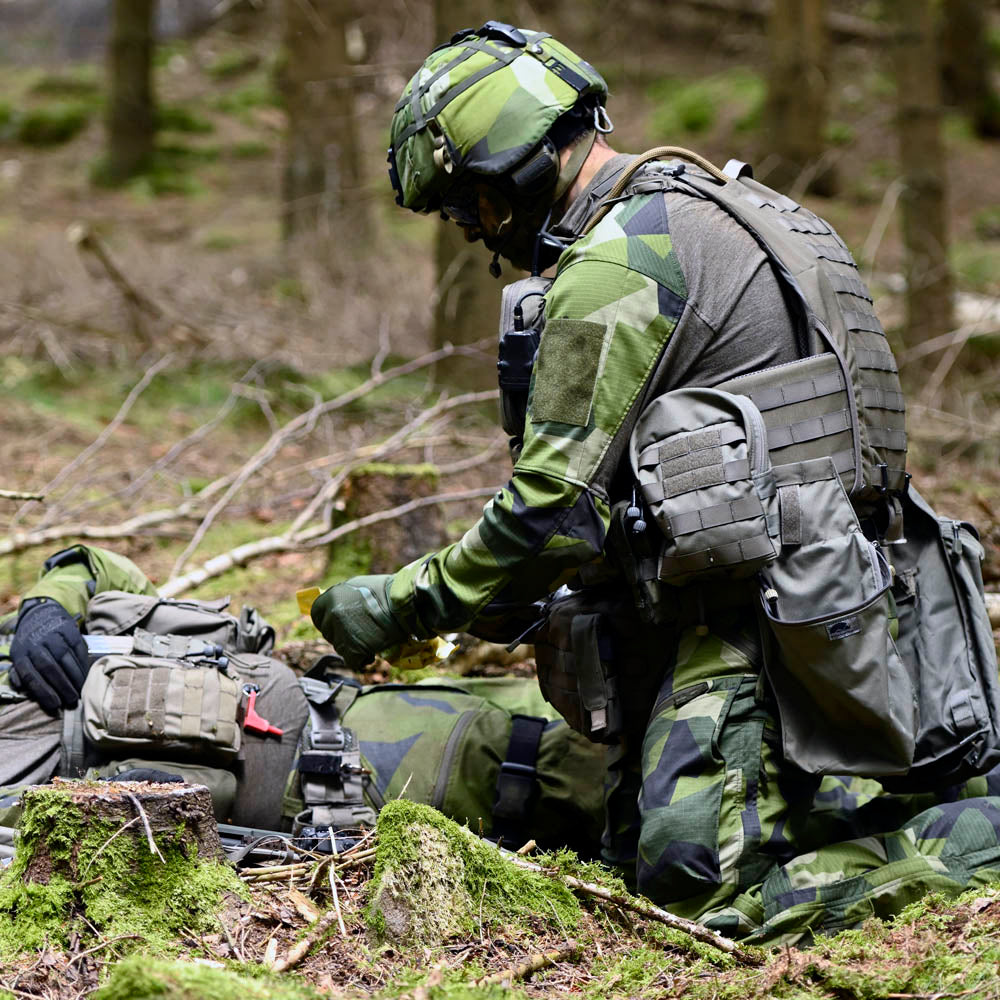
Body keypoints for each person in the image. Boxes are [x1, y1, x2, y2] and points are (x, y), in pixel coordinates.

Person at [309, 21, 1000, 943]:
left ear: (504, 172)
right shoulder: (738, 209)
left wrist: (398, 605)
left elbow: (548, 515)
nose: (478, 237)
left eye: (467, 206)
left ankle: (975, 841)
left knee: (692, 893)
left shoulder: (618, 265)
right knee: (629, 819)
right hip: (861, 605)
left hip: (770, 631)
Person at [0, 544, 606, 857]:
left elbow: (99, 569)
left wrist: (44, 604)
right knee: (544, 770)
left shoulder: (10, 656)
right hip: (335, 789)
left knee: (595, 702)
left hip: (345, 703)